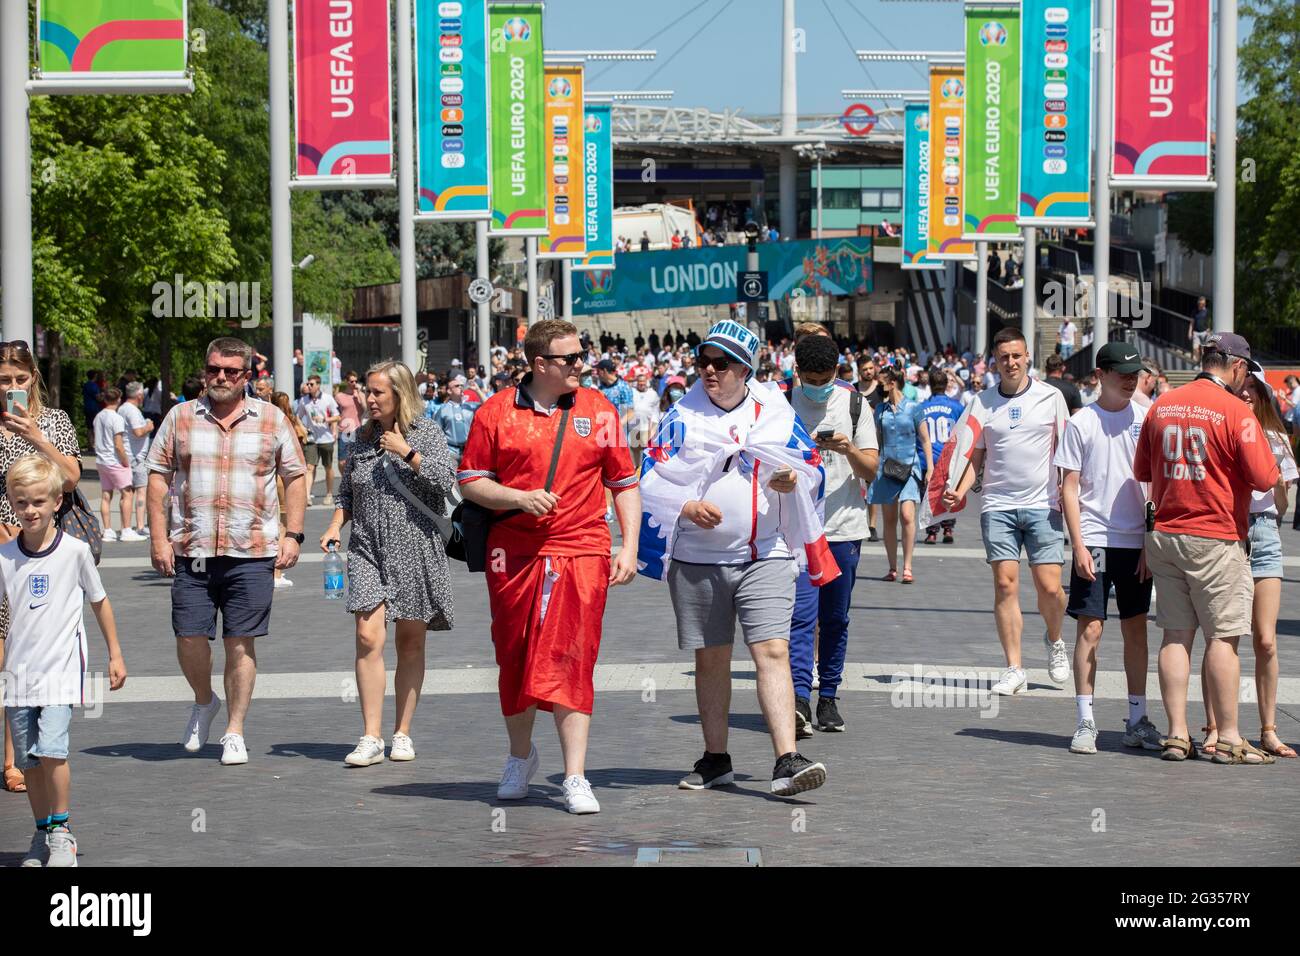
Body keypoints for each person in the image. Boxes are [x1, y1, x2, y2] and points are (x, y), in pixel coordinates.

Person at [638, 320, 832, 797]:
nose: (708, 370)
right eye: (703, 360)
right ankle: (716, 758)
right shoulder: (682, 415)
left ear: (744, 369)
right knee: (712, 659)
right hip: (697, 557)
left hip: (765, 553)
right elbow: (650, 474)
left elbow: (811, 465)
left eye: (720, 363)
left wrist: (791, 479)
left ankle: (787, 759)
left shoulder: (774, 411)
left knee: (772, 650)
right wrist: (684, 506)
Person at [458, 320, 640, 814]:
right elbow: (471, 480)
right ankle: (520, 757)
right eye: (571, 358)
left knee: (573, 654)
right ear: (540, 364)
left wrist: (628, 546)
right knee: (514, 653)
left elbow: (623, 482)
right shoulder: (495, 412)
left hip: (583, 546)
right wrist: (517, 497)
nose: (582, 364)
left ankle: (575, 775)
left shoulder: (599, 410)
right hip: (513, 553)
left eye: (582, 355)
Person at [147, 338, 308, 767]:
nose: (220, 377)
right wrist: (158, 538)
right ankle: (204, 700)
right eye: (214, 369)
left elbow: (295, 476)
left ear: (246, 376)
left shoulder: (272, 419)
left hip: (251, 551)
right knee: (189, 636)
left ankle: (235, 730)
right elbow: (158, 478)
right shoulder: (180, 417)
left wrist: (293, 534)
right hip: (192, 550)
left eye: (231, 371)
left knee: (241, 643)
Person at [1133, 333, 1279, 764]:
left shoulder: (1163, 404)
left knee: (1175, 635)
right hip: (1215, 534)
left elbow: (1143, 468)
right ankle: (1230, 736)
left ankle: (1178, 734)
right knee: (1223, 637)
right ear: (1236, 367)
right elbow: (1266, 478)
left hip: (1166, 532)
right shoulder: (1235, 410)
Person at [321, 362, 457, 767]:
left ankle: (402, 732)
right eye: (367, 390)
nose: (369, 398)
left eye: (378, 392)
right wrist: (333, 526)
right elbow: (347, 492)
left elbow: (446, 480)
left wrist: (407, 453)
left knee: (410, 642)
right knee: (367, 637)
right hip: (366, 548)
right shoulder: (360, 438)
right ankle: (370, 736)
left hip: (415, 548)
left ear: (400, 393)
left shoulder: (426, 432)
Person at [0, 454, 126, 867]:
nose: (30, 510)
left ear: (57, 501)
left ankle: (61, 833)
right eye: (21, 503)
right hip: (18, 677)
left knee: (53, 751)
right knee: (29, 762)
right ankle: (41, 835)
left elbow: (100, 601)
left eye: (38, 501)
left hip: (61, 673)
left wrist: (115, 654)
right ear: (11, 503)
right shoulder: (5, 557)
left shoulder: (74, 552)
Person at [941, 327, 1071, 695]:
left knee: (1050, 588)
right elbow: (973, 455)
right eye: (1004, 357)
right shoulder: (982, 403)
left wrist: (1068, 488)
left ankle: (1055, 638)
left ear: (1027, 356)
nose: (1011, 363)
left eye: (1017, 356)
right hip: (997, 505)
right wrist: (959, 492)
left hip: (1043, 505)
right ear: (994, 361)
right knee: (1004, 584)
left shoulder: (1051, 397)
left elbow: (1066, 447)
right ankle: (1014, 667)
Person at [1054, 343, 1160, 754]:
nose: (1130, 378)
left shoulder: (1147, 417)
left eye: (1135, 372)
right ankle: (1085, 721)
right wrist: (1077, 545)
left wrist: (1152, 541)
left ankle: (1137, 718)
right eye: (1121, 372)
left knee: (1136, 627)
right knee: (1091, 628)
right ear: (1101, 374)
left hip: (1136, 541)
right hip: (1094, 538)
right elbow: (1069, 487)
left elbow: (1155, 485)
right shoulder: (1082, 423)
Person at [1198, 373, 1297, 759]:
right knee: (1222, 636)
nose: (1244, 399)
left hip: (1266, 534)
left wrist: (1276, 489)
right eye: (1237, 394)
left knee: (1266, 640)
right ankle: (1215, 727)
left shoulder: (1276, 438)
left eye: (1249, 394)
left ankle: (1269, 729)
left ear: (1261, 397)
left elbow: (1283, 504)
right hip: (1229, 530)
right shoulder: (1219, 431)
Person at [0, 342, 83, 795]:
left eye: (20, 378)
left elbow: (70, 477)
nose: (13, 388)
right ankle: (13, 750)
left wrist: (35, 437)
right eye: (3, 381)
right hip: (1, 552)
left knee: (26, 654)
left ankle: (17, 759)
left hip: (41, 558)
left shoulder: (54, 422)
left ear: (33, 377)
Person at [788, 334, 878, 736]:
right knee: (799, 617)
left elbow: (872, 470)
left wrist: (847, 450)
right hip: (795, 531)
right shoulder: (780, 403)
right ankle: (797, 698)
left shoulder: (855, 404)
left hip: (843, 528)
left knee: (836, 618)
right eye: (812, 378)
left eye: (827, 378)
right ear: (797, 372)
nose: (820, 385)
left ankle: (829, 697)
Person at [872, 367, 931, 583]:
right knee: (888, 519)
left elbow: (925, 439)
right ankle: (892, 567)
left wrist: (930, 468)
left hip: (910, 467)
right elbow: (877, 441)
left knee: (907, 515)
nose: (879, 385)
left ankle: (907, 566)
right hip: (887, 467)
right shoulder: (880, 410)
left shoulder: (914, 408)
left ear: (893, 382)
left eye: (882, 382)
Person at [919, 369, 963, 545]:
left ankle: (931, 532)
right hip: (949, 457)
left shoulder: (922, 407)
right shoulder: (956, 406)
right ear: (946, 385)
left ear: (929, 385)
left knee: (929, 496)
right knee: (949, 492)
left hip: (928, 458)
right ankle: (948, 528)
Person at [271, 391, 309, 591]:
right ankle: (276, 572)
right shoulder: (289, 421)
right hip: (285, 478)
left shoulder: (268, 419)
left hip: (273, 477)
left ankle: (275, 572)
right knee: (283, 525)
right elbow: (304, 436)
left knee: (276, 522)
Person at [92, 388, 134, 542]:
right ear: (118, 400)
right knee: (127, 494)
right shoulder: (116, 418)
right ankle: (126, 529)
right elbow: (118, 444)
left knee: (106, 495)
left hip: (101, 460)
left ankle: (108, 529)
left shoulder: (98, 416)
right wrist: (125, 461)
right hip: (114, 460)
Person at [295, 375, 341, 507]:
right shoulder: (304, 400)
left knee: (328, 467)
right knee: (309, 467)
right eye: (307, 384)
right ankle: (307, 495)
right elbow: (298, 416)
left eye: (311, 384)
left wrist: (326, 420)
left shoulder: (328, 398)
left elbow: (337, 416)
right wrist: (303, 428)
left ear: (318, 385)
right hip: (312, 438)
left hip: (326, 438)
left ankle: (329, 494)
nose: (308, 386)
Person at [118, 382, 155, 538]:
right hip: (136, 457)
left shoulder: (122, 409)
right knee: (140, 490)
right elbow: (138, 432)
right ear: (139, 395)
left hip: (128, 455)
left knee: (128, 492)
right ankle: (138, 526)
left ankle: (131, 526)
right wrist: (149, 425)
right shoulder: (132, 411)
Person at [335, 371, 365, 470]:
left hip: (356, 430)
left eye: (356, 381)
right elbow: (336, 414)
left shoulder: (360, 395)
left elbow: (365, 408)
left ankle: (351, 482)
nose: (354, 384)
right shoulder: (339, 396)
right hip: (344, 430)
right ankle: (345, 480)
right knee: (342, 461)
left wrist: (359, 393)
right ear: (346, 382)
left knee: (355, 459)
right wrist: (333, 430)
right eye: (352, 381)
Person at [81, 371, 103, 441]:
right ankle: (95, 444)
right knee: (95, 426)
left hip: (87, 407)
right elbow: (98, 398)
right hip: (94, 408)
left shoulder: (86, 385)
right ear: (95, 376)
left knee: (89, 427)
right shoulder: (94, 385)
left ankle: (90, 444)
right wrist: (104, 395)